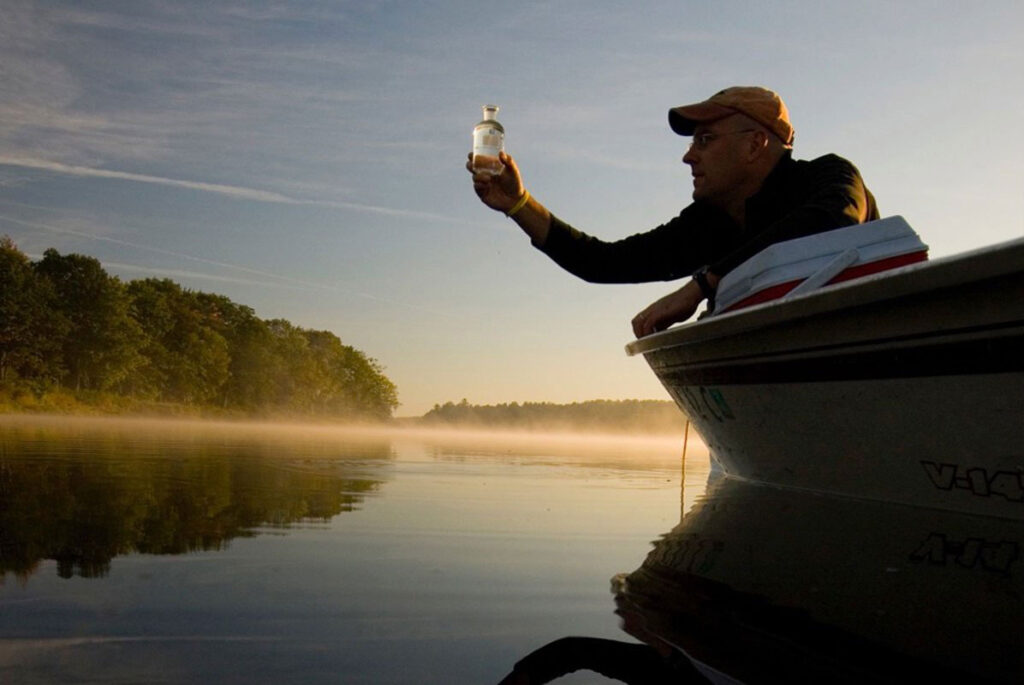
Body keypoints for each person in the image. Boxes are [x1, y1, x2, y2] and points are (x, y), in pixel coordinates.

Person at [468, 86, 878, 337]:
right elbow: (603, 262)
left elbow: (830, 224)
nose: (688, 156)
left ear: (755, 145)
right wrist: (518, 204)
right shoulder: (708, 222)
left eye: (705, 139)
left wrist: (701, 285)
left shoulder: (828, 177)